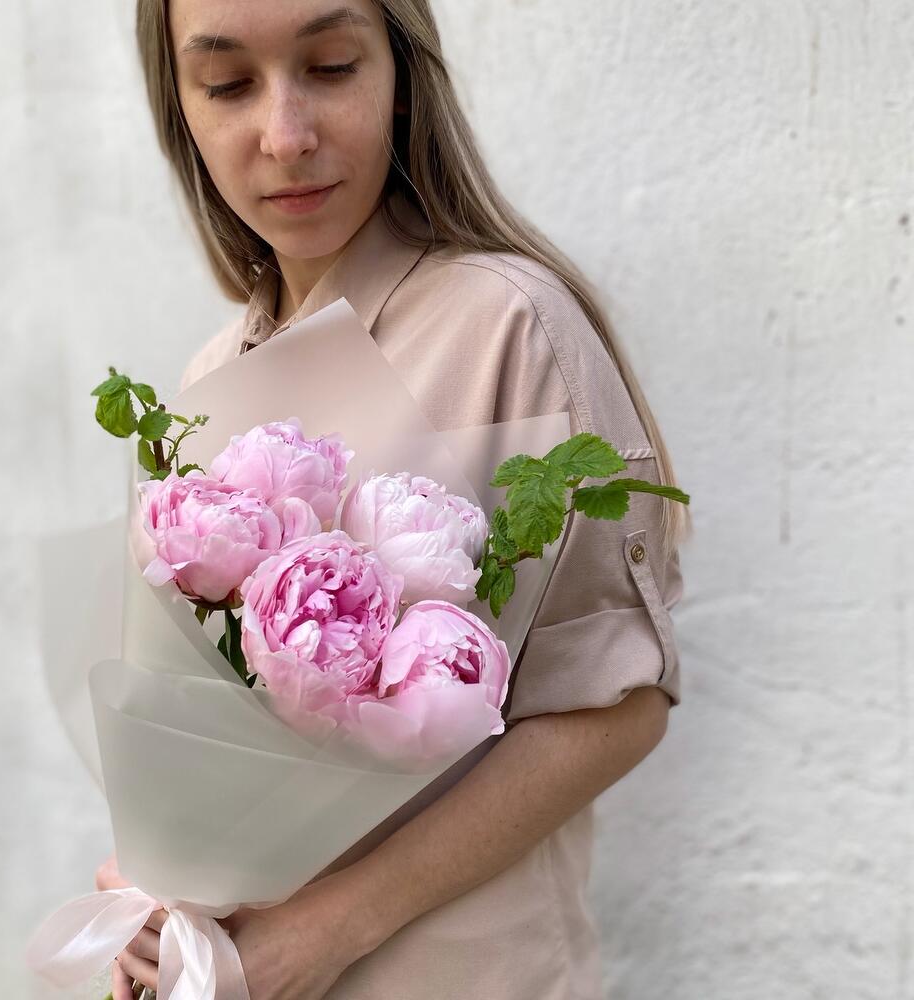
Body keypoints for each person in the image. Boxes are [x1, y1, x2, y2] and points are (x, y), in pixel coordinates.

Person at [95, 1, 694, 998]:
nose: (286, 134)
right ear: (180, 111)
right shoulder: (206, 382)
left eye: (331, 66)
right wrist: (165, 903)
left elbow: (619, 704)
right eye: (229, 84)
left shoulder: (508, 327)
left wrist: (330, 928)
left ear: (402, 75)